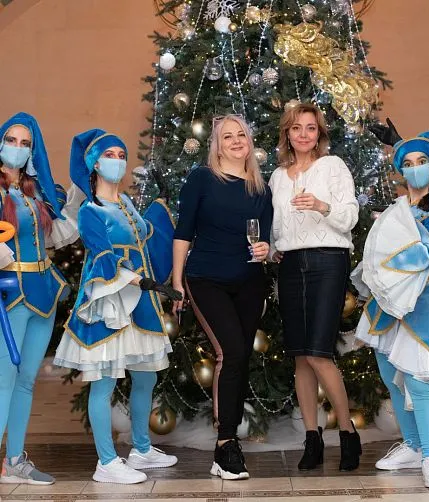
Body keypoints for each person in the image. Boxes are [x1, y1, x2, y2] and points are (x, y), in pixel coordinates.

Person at [53, 129, 182, 484]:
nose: (118, 161)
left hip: (140, 303)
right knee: (104, 381)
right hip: (109, 301)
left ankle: (141, 449)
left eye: (121, 155)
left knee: (146, 375)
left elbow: (146, 237)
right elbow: (103, 256)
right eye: (109, 155)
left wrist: (161, 206)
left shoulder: (125, 203)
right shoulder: (90, 210)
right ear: (94, 163)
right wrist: (135, 280)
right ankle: (107, 462)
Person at [352, 129, 429, 488]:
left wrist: (385, 256)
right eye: (409, 163)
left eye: (422, 162)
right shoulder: (396, 209)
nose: (415, 168)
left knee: (418, 383)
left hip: (419, 307)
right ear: (401, 170)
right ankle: (414, 446)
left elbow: (423, 252)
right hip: (386, 306)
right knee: (392, 382)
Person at [172, 115, 272, 480]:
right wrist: (178, 282)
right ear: (217, 145)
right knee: (230, 353)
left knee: (240, 357)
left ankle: (226, 446)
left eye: (241, 134)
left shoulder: (261, 188)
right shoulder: (202, 179)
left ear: (249, 141)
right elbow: (183, 232)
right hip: (206, 279)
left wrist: (266, 248)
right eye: (227, 136)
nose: (235, 141)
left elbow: (267, 238)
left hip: (250, 282)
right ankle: (226, 443)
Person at [269, 103, 361, 471]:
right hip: (291, 265)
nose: (304, 134)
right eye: (296, 128)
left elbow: (350, 216)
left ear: (319, 134)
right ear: (287, 134)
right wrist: (273, 248)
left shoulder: (333, 166)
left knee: (319, 352)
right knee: (300, 355)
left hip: (328, 261)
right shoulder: (277, 177)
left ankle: (348, 432)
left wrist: (322, 206)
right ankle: (312, 437)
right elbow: (275, 227)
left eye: (310, 128)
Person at [0, 112, 79, 486]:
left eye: (25, 143)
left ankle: (15, 459)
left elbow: (52, 231)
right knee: (3, 379)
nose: (17, 148)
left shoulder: (33, 191)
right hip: (10, 295)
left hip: (43, 293)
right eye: (11, 140)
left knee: (27, 380)